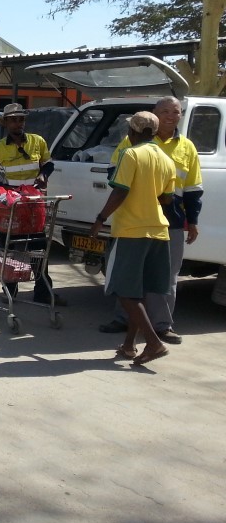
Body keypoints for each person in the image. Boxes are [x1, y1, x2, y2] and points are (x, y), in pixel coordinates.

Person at [97, 97, 202, 343]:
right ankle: (123, 321)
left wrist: (193, 221)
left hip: (170, 223)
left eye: (175, 112)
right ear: (153, 115)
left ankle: (162, 326)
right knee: (130, 276)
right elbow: (116, 177)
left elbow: (194, 189)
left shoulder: (187, 147)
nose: (170, 116)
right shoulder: (129, 143)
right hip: (135, 220)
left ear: (180, 116)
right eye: (164, 111)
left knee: (166, 277)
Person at [89, 111, 176, 366]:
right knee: (141, 292)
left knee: (122, 290)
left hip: (131, 231)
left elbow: (120, 191)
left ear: (133, 132)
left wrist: (100, 219)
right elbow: (167, 198)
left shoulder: (131, 154)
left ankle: (153, 343)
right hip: (158, 231)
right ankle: (129, 346)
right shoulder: (165, 158)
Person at [0, 102, 66, 305]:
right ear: (6, 123)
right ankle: (10, 292)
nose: (17, 123)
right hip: (10, 207)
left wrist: (44, 175)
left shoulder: (38, 142)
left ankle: (43, 292)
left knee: (38, 249)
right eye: (13, 120)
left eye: (20, 119)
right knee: (9, 249)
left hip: (35, 205)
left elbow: (48, 163)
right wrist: (7, 190)